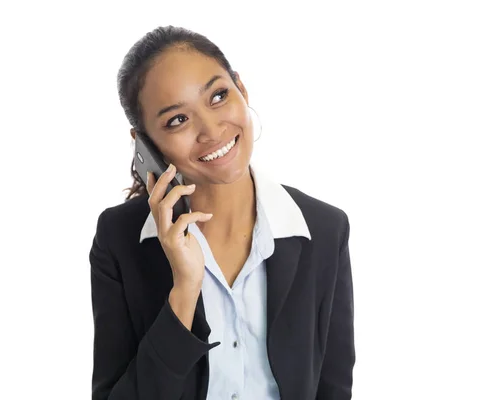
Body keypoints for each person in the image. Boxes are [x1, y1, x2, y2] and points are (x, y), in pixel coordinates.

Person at [89, 25, 355, 400]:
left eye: (218, 96)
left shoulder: (323, 229)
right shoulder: (120, 239)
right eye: (177, 120)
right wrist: (184, 290)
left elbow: (334, 387)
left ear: (241, 90)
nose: (212, 130)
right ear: (145, 144)